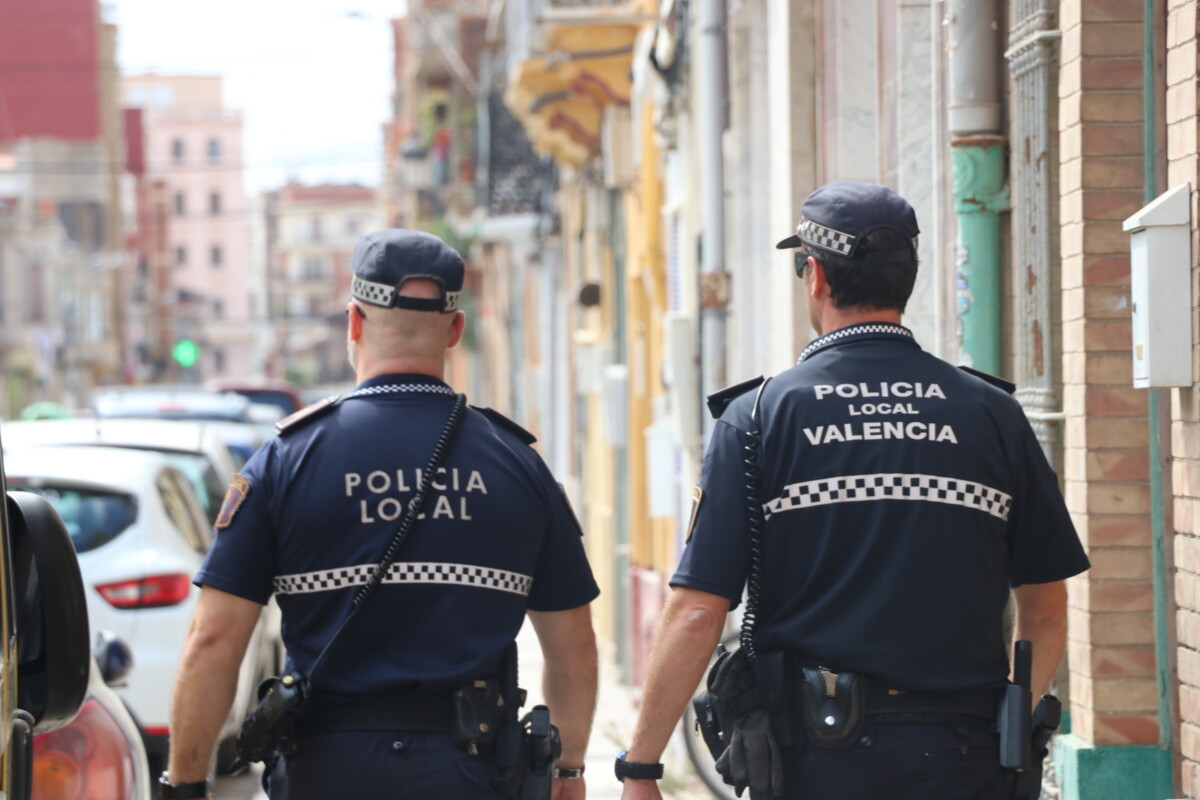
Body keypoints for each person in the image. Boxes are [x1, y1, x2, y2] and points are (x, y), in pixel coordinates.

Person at [618, 181, 1090, 799]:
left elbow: (701, 610)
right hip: (966, 760)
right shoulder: (994, 414)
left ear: (814, 275)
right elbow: (1047, 609)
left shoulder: (758, 417)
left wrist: (643, 767)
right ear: (908, 278)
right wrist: (1006, 729)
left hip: (819, 763)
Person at [162, 229, 599, 800]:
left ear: (354, 322)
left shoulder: (286, 461)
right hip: (471, 776)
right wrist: (569, 769)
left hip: (324, 775)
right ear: (456, 331)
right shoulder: (519, 465)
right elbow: (574, 645)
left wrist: (186, 785)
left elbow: (213, 640)